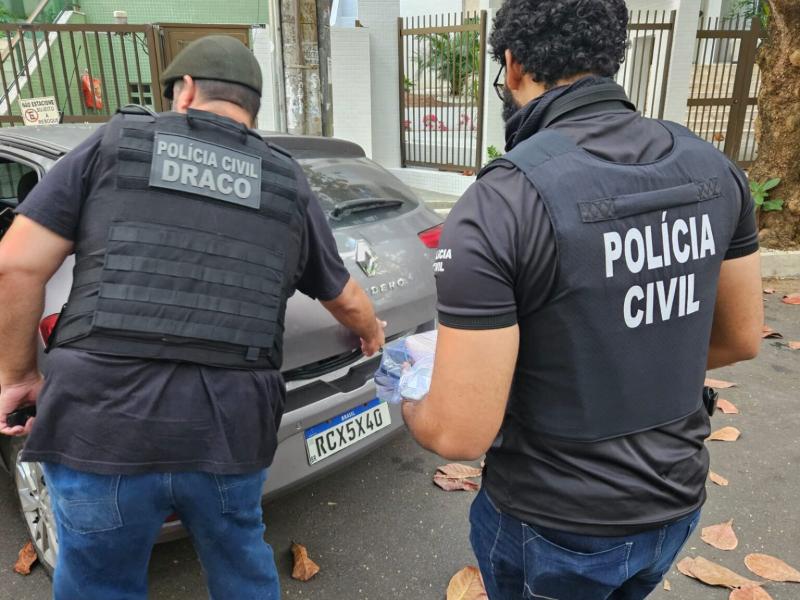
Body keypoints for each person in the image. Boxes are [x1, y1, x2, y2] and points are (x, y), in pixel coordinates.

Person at [0, 35, 384, 599]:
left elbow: (14, 265)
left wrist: (18, 378)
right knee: (241, 570)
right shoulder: (284, 180)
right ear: (252, 110)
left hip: (101, 424)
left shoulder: (115, 142)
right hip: (228, 429)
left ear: (183, 92)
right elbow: (344, 296)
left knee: (100, 583)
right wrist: (371, 332)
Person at [402, 1, 763, 598]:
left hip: (554, 525)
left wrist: (411, 398)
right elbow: (738, 338)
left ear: (513, 67)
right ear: (609, 56)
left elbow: (459, 434)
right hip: (675, 502)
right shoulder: (715, 168)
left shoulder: (501, 202)